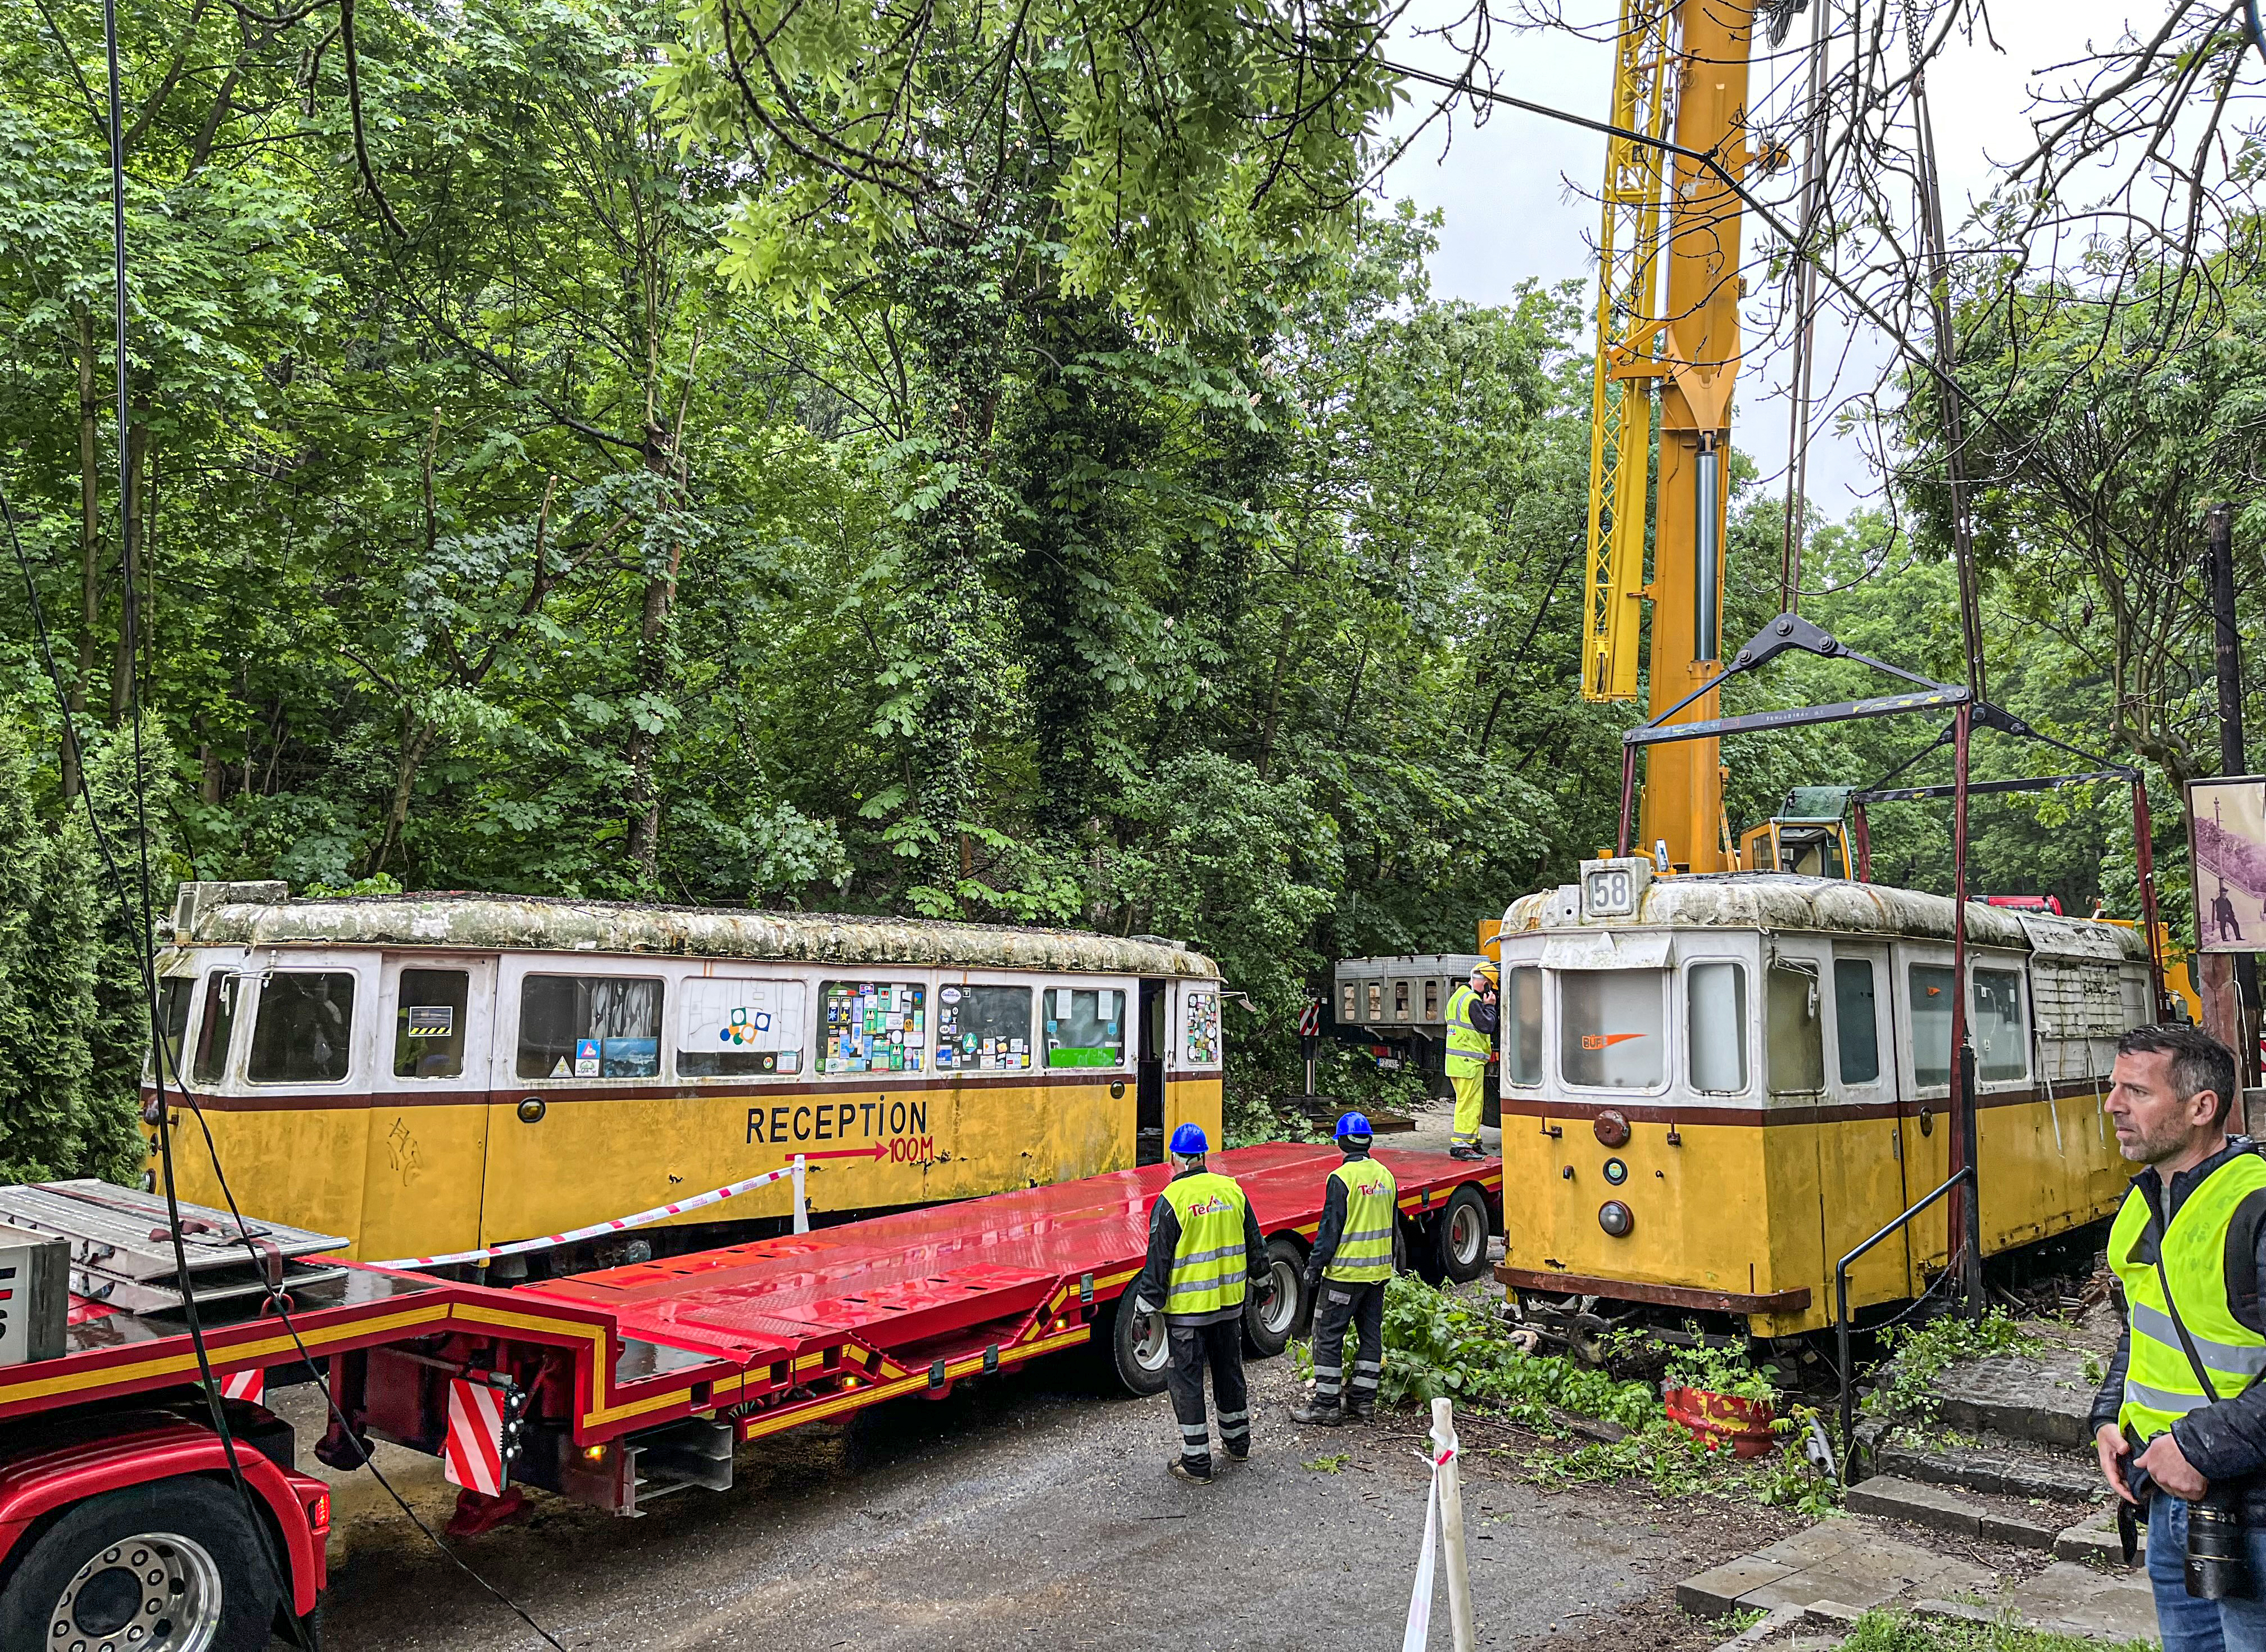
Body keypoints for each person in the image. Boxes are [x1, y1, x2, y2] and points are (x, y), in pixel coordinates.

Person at [2090, 1024, 2266, 1651]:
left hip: (2253, 1515)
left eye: (2135, 1091)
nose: (2112, 1105)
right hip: (2168, 1504)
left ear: (2201, 1108)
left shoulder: (2256, 1203)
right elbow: (2145, 1327)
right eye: (2115, 1088)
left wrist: (2196, 1448)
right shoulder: (2145, 1202)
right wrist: (2111, 1416)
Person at [1129, 1122, 1269, 1484]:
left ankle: (1196, 1464)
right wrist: (1265, 1283)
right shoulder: (1232, 1191)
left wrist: (1143, 1313)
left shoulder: (1171, 1201)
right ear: (1203, 1156)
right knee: (1228, 1372)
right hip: (1228, 1309)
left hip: (1189, 1314)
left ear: (1175, 1158)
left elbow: (1157, 1264)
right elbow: (1256, 1245)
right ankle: (1238, 1444)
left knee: (1187, 1382)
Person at [1289, 1111, 1398, 1426]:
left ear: (1342, 1141)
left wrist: (1313, 1267)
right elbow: (1391, 1225)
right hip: (1377, 1274)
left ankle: (1326, 1405)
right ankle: (1363, 1402)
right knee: (1369, 1335)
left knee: (1327, 1336)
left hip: (1344, 1276)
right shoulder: (1386, 1176)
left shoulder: (1341, 1179)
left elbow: (1329, 1230)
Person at [1444, 961, 1498, 1160]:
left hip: (1457, 1061)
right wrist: (1491, 1007)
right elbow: (1487, 1025)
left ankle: (1473, 1141)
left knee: (1469, 1102)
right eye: (1491, 985)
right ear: (1485, 983)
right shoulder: (1472, 1001)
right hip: (1469, 1061)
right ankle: (1462, 1146)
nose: (1491, 990)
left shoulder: (1457, 997)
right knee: (1470, 1104)